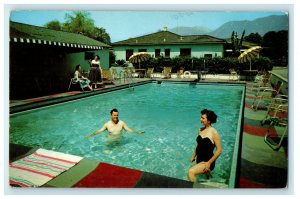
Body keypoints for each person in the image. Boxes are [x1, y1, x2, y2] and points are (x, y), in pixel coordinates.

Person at [188, 109, 222, 182]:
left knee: (191, 172)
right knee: (206, 178)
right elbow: (198, 145)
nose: (201, 119)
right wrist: (193, 156)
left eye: (203, 118)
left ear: (209, 121)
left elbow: (219, 150)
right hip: (199, 159)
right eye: (201, 117)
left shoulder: (214, 132)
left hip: (207, 161)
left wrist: (209, 163)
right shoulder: (200, 130)